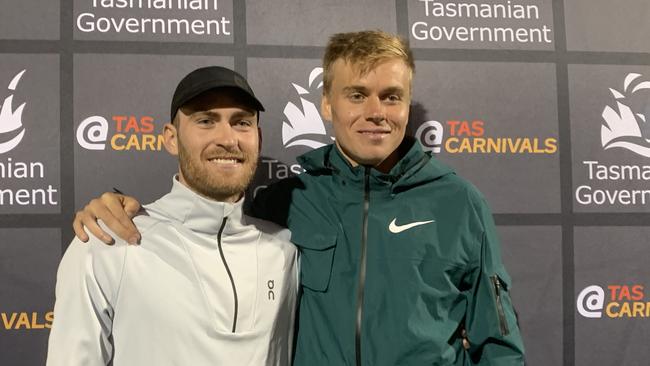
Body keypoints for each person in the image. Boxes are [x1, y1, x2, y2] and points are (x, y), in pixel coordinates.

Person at [73, 31, 525, 365]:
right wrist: (117, 204)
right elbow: (207, 213)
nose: (376, 113)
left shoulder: (460, 204)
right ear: (327, 104)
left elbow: (500, 348)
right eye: (357, 95)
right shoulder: (285, 200)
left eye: (392, 97)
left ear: (407, 105)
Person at [47, 66, 298, 366]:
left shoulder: (287, 250)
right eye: (206, 121)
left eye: (241, 122)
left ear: (257, 137)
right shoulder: (108, 240)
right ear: (171, 138)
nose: (228, 139)